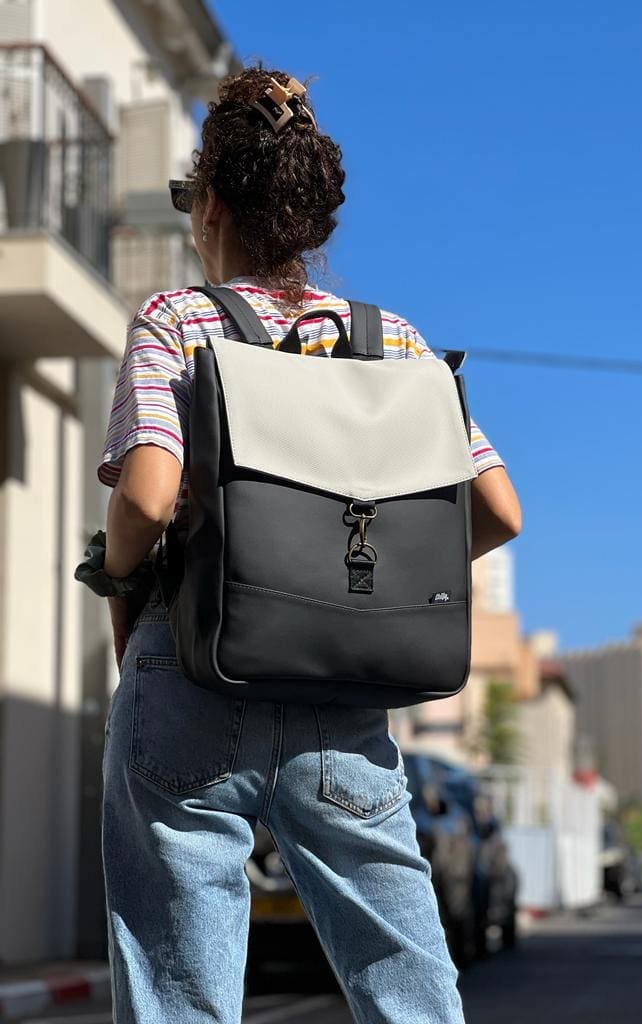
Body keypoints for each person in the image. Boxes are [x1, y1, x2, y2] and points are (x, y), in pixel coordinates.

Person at [98, 65, 522, 1024]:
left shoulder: (180, 321)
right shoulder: (396, 346)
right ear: (314, 223)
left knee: (180, 993)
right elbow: (500, 510)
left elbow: (151, 490)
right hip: (345, 691)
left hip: (194, 672)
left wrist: (114, 574)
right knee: (407, 985)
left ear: (208, 204)